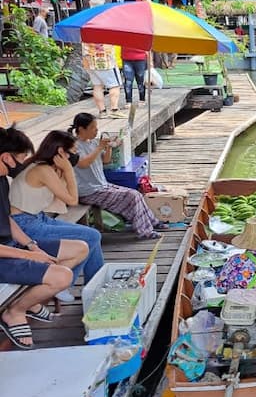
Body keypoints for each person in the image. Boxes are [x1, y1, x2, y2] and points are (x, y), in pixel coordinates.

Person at [0, 126, 87, 349]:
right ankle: (15, 311)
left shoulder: (0, 180)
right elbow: (72, 200)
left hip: (12, 243)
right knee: (62, 277)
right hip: (4, 255)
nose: (22, 163)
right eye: (21, 157)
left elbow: (6, 220)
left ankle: (28, 301)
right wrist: (28, 254)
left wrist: (31, 246)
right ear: (6, 157)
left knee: (80, 248)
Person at [9, 130, 105, 302]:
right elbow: (73, 200)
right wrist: (68, 170)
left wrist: (64, 170)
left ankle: (95, 287)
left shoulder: (47, 168)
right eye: (73, 151)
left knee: (93, 236)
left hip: (37, 218)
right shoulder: (42, 170)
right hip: (23, 224)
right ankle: (69, 284)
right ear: (61, 152)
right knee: (91, 237)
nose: (76, 155)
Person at [69, 113, 167, 239]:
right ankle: (145, 231)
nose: (96, 130)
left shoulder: (92, 142)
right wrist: (99, 148)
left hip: (101, 185)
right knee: (132, 196)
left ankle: (152, 222)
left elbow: (106, 160)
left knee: (135, 193)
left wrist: (109, 147)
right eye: (93, 128)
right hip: (88, 191)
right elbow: (83, 163)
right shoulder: (75, 146)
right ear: (82, 129)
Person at [83, 0, 123, 119]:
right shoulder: (105, 19)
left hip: (88, 57)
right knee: (114, 84)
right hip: (105, 58)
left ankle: (102, 112)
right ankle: (114, 109)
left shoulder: (84, 18)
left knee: (97, 85)